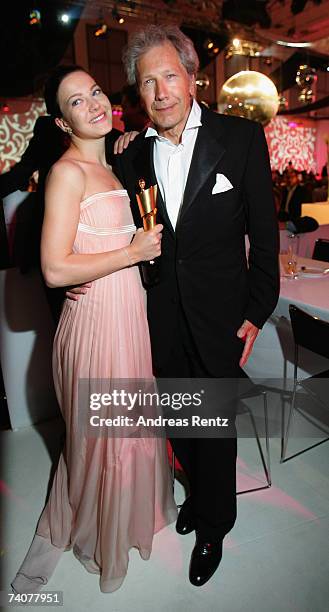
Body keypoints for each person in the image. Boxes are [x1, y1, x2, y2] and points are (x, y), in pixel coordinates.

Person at [70, 25, 280, 588]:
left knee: (213, 425)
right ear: (138, 96)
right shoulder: (133, 154)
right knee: (180, 421)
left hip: (221, 316)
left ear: (192, 77)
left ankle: (216, 522)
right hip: (158, 316)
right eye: (147, 83)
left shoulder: (238, 139)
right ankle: (197, 498)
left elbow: (265, 236)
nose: (161, 91)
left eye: (169, 76)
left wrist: (257, 311)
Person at [11, 64, 177, 595]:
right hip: (94, 327)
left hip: (128, 317)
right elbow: (56, 269)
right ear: (62, 122)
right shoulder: (67, 173)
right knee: (101, 438)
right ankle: (100, 533)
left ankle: (125, 520)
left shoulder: (111, 166)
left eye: (97, 92)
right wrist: (131, 251)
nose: (94, 103)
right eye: (77, 101)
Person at [0, 105, 123, 323]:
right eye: (75, 101)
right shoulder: (47, 131)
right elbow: (21, 174)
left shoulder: (109, 132)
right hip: (58, 252)